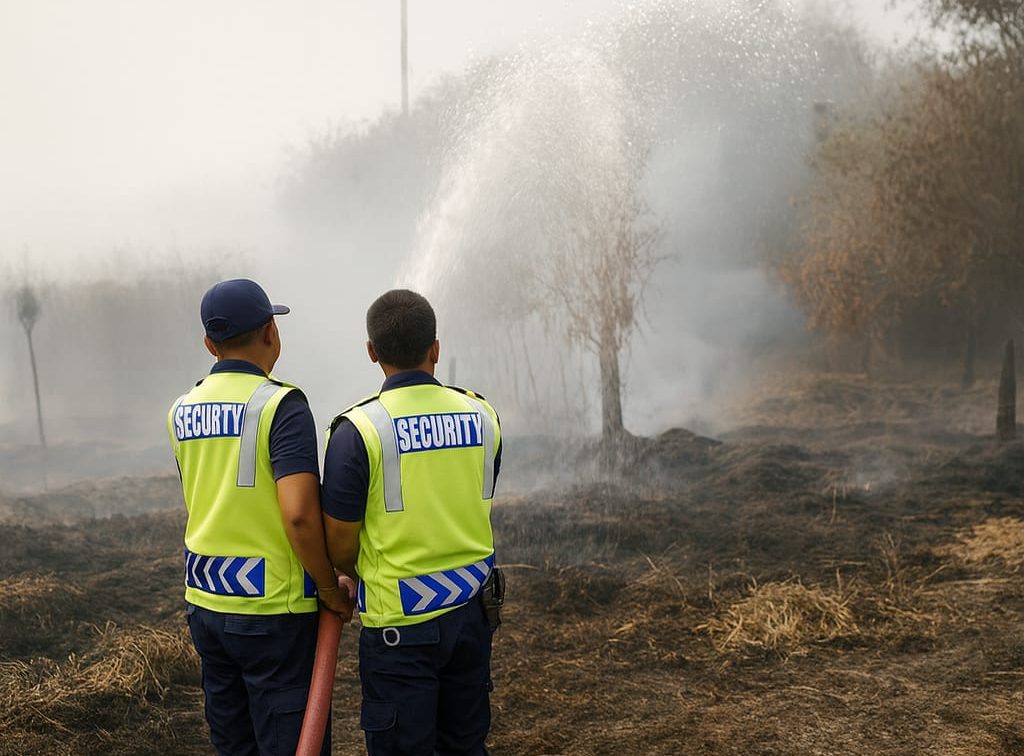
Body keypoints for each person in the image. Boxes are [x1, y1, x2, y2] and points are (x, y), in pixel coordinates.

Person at [167, 278, 352, 756]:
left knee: (233, 743)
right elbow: (298, 517)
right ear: (271, 332)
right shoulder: (281, 406)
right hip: (273, 613)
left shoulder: (181, 409)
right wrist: (329, 589)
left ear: (210, 344)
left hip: (206, 605)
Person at [322, 289, 503, 756]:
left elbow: (339, 545)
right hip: (473, 615)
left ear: (371, 353)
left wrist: (349, 576)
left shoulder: (357, 431)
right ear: (436, 348)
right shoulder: (482, 415)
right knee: (465, 745)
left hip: (400, 631)